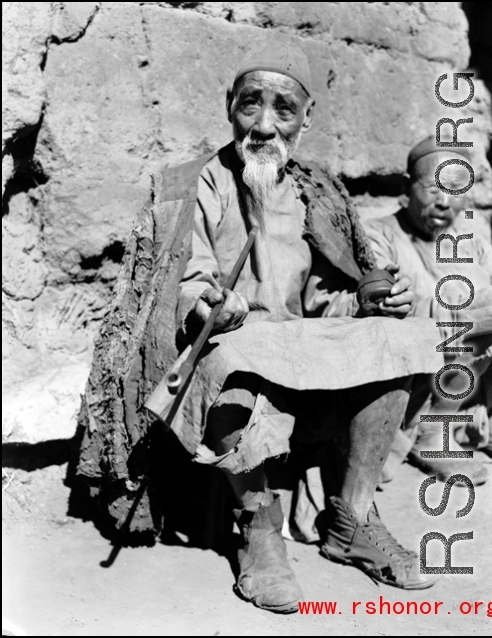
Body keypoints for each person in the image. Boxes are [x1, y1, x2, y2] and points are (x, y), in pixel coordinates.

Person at [77, 43, 444, 614]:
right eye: (252, 105)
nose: (265, 125)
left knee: (404, 339)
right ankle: (259, 528)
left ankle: (352, 518)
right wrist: (208, 306)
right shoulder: (197, 183)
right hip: (235, 341)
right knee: (230, 359)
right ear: (230, 106)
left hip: (302, 345)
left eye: (284, 109)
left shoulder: (318, 189)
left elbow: (333, 293)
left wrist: (374, 298)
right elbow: (181, 284)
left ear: (307, 119)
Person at [365, 136, 492, 485]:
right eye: (433, 188)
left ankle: (481, 421)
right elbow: (384, 310)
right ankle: (431, 434)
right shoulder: (379, 235)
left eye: (456, 191)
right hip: (417, 372)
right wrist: (470, 314)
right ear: (408, 188)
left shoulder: (470, 240)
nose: (444, 202)